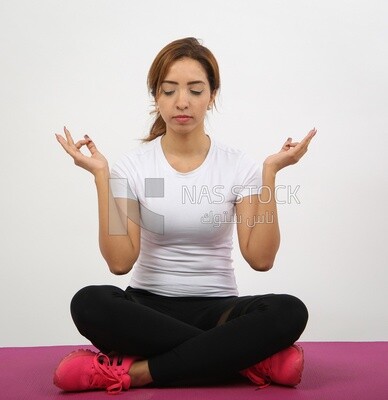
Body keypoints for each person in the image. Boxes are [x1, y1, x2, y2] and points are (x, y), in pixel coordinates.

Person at [54, 37, 316, 394]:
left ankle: (140, 371)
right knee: (89, 303)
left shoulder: (239, 166)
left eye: (195, 90)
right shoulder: (133, 167)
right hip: (145, 310)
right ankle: (247, 359)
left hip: (220, 311)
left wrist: (270, 172)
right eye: (169, 90)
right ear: (156, 97)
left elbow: (261, 259)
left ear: (212, 96)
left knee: (290, 310)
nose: (182, 102)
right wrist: (102, 176)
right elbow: (119, 263)